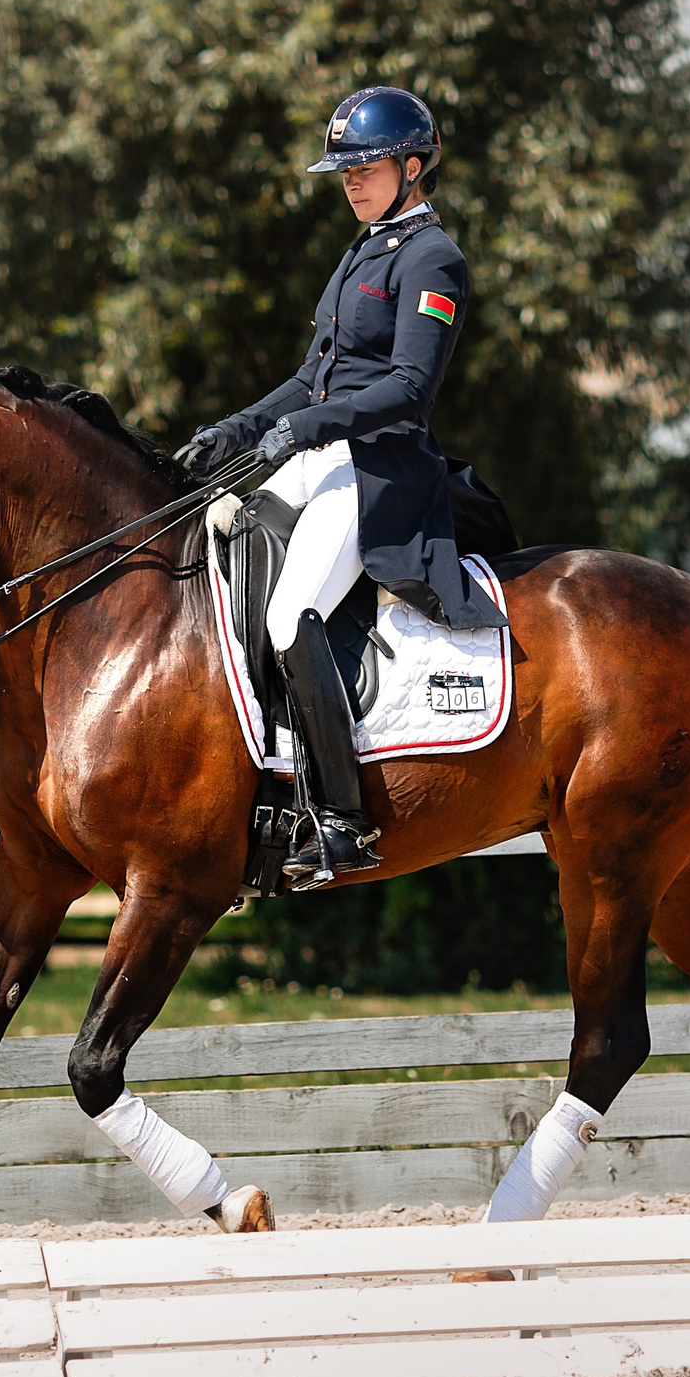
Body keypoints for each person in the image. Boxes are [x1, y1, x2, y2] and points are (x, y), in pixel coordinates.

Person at [178, 86, 509, 889]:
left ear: (413, 165)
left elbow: (407, 388)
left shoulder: (433, 259)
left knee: (294, 613)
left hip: (379, 472)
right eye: (345, 170)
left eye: (364, 168)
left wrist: (313, 427)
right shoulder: (362, 250)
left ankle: (341, 820)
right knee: (227, 582)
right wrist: (242, 427)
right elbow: (311, 379)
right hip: (320, 460)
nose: (351, 182)